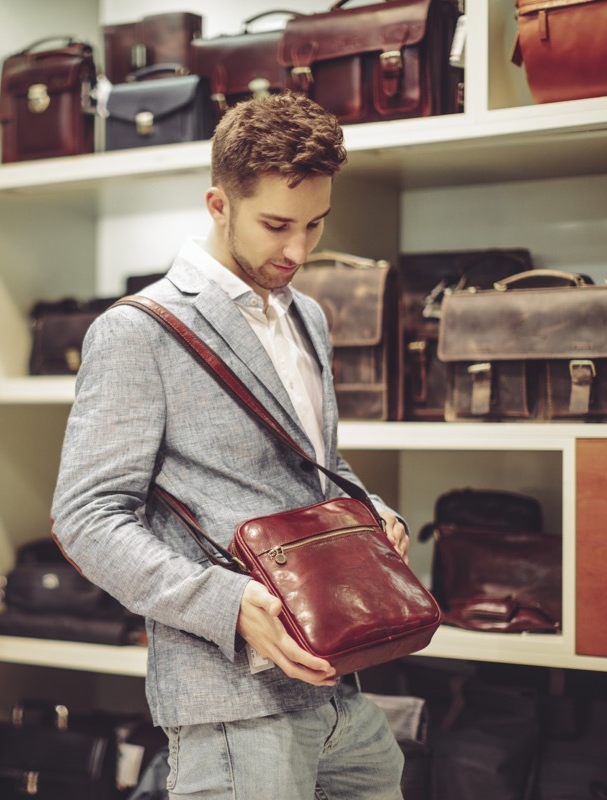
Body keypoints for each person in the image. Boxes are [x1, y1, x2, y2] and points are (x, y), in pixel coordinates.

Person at [51, 92, 410, 799]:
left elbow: (316, 467)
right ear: (219, 205)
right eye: (276, 225)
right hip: (230, 703)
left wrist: (371, 512)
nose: (298, 250)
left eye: (314, 224)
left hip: (339, 685)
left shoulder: (307, 315)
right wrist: (228, 603)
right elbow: (85, 518)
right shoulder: (136, 332)